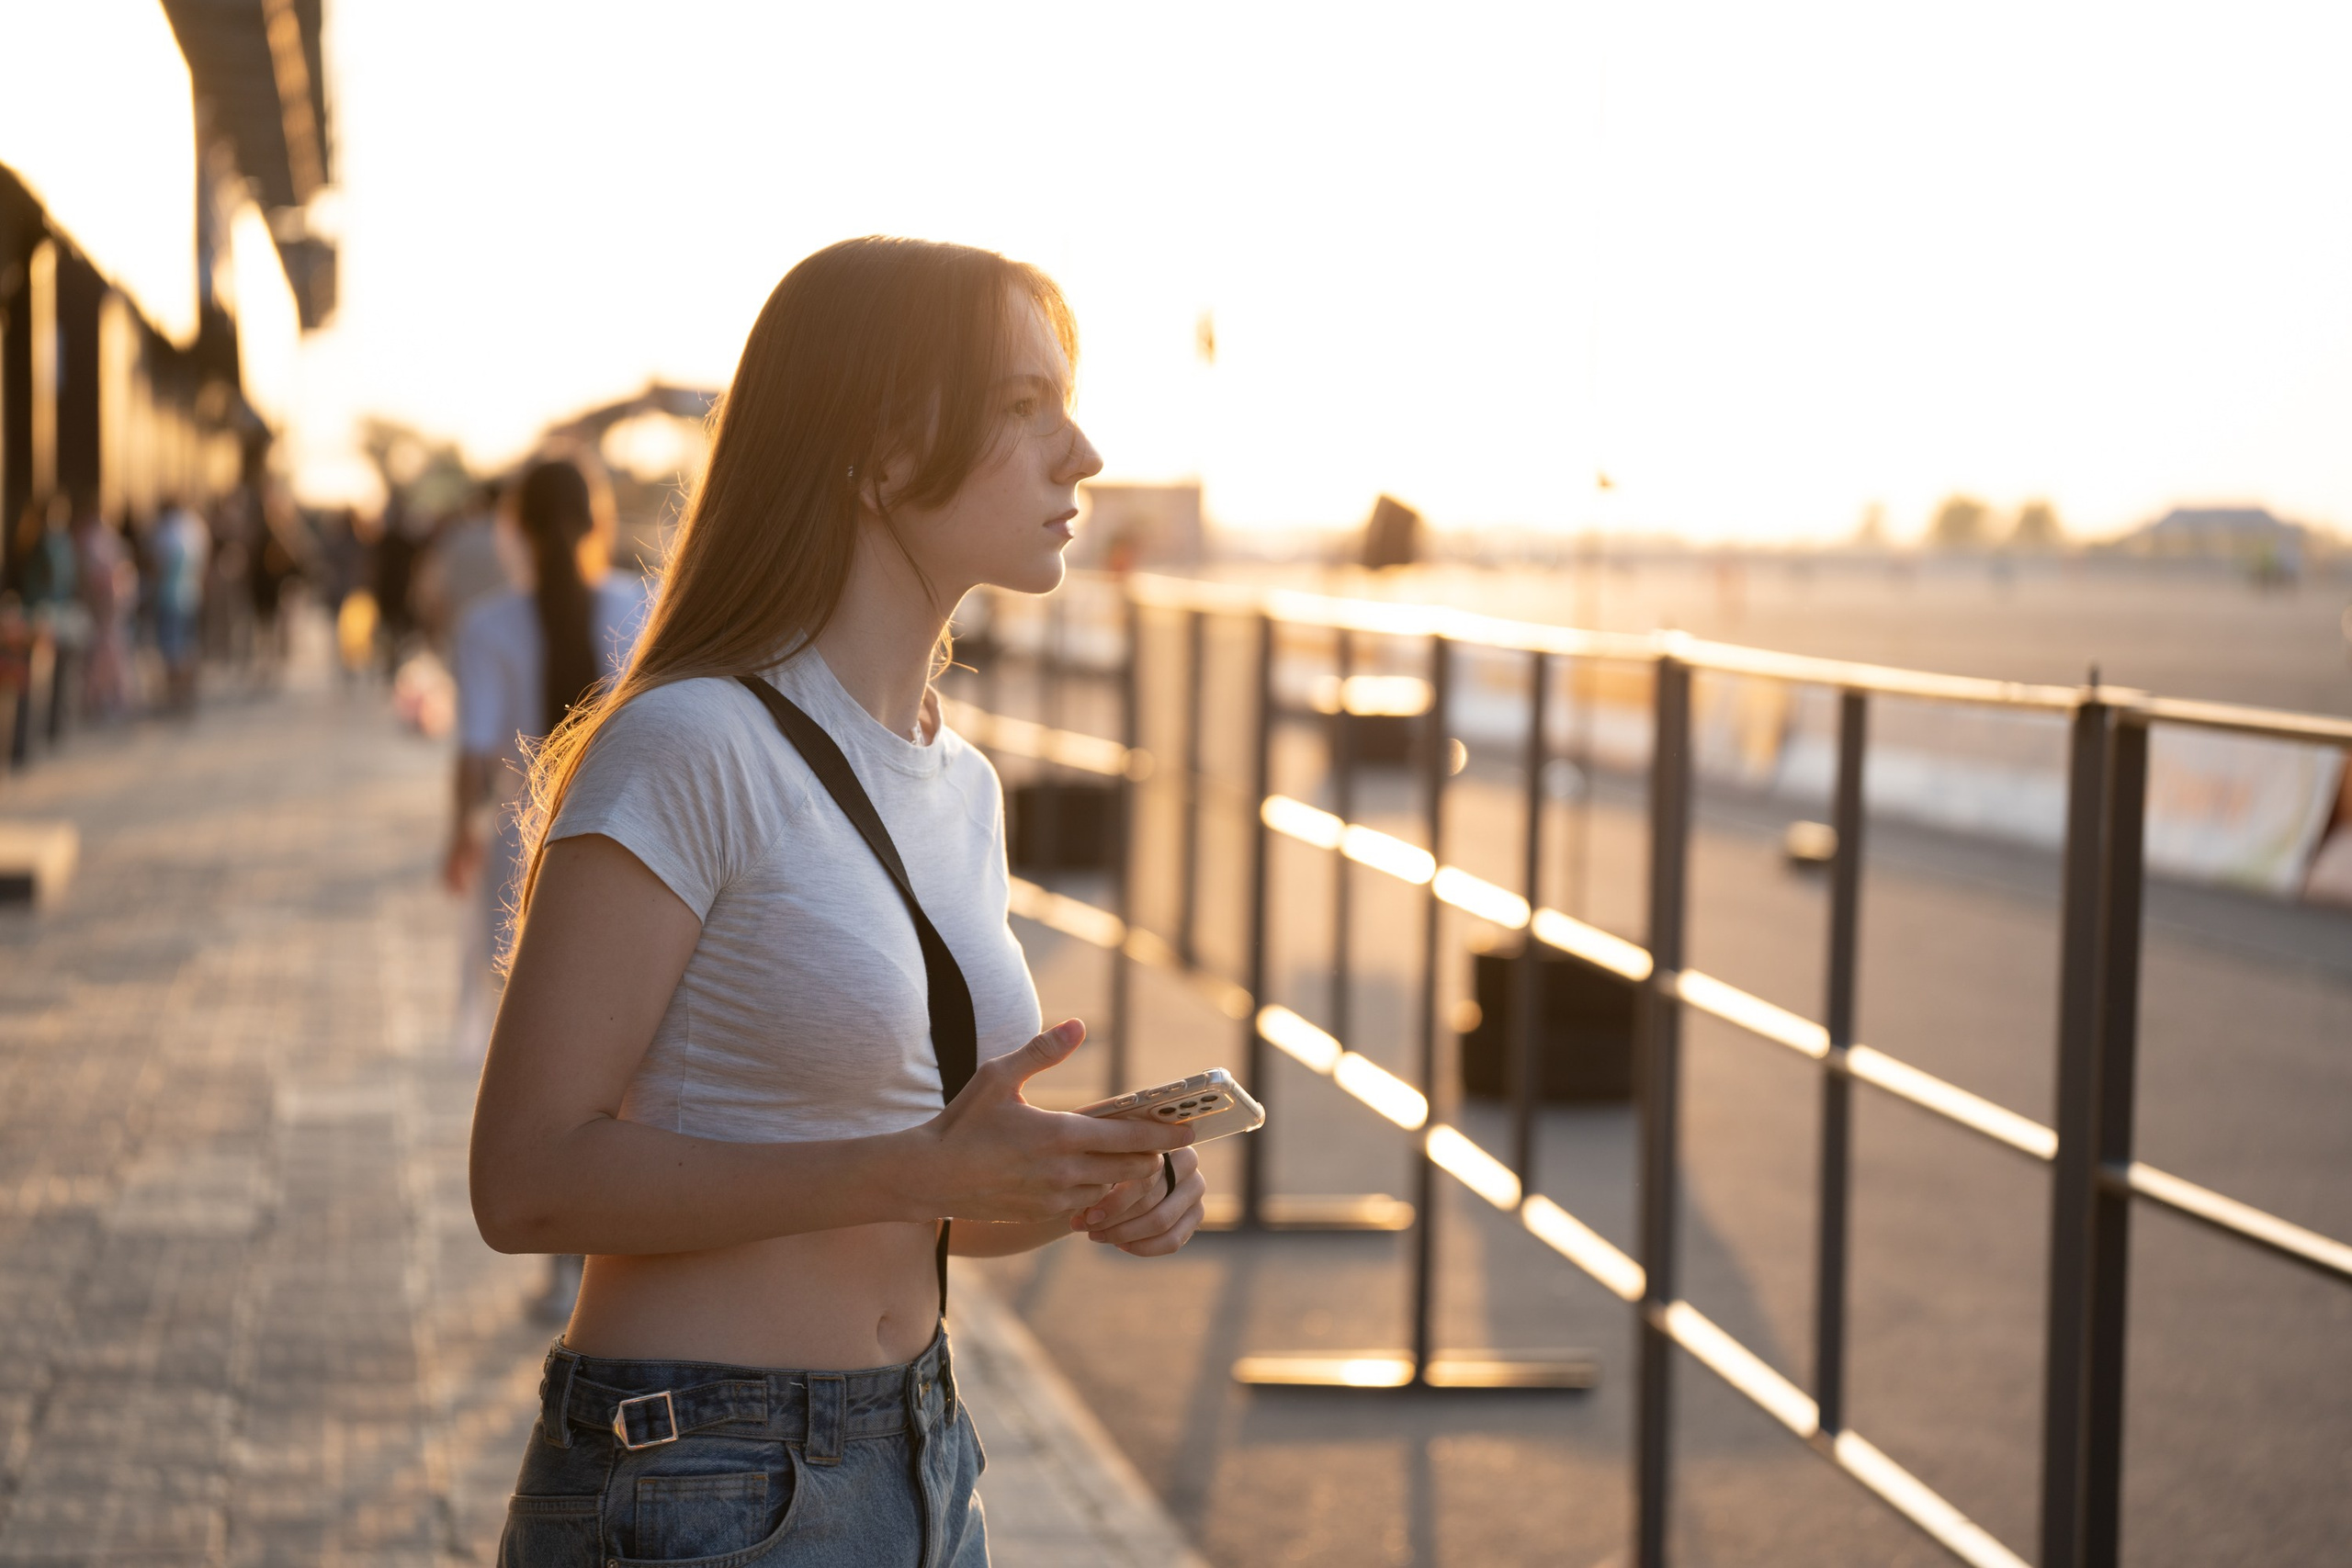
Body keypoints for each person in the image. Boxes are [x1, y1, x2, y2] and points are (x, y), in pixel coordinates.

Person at [469, 237, 1204, 1567]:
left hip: (918, 1456)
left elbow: (932, 1201)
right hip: (703, 1474)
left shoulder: (960, 781)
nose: (1083, 454)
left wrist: (1088, 1180)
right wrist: (912, 1168)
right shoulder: (691, 746)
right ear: (878, 450)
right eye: (1025, 405)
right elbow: (523, 1182)